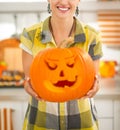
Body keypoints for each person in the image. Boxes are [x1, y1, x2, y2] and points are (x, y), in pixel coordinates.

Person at [20, 0, 103, 130]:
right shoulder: (30, 35)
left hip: (82, 121)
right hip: (40, 122)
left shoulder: (92, 36)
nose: (64, 2)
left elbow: (93, 78)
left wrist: (96, 85)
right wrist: (27, 85)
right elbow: (29, 80)